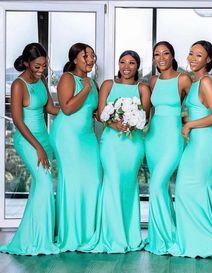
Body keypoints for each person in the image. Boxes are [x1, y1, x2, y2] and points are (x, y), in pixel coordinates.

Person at [169, 40, 212, 258]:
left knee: (190, 189)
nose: (192, 58)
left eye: (199, 55)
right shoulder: (196, 82)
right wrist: (188, 119)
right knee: (191, 190)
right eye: (191, 53)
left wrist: (188, 124)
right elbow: (205, 113)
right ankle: (196, 240)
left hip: (205, 143)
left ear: (208, 60)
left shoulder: (205, 81)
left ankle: (207, 243)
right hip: (198, 141)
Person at [86, 50, 150, 253]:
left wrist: (132, 124)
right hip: (111, 143)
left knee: (128, 186)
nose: (126, 66)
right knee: (112, 182)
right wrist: (114, 124)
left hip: (133, 144)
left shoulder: (143, 88)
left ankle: (129, 236)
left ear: (137, 66)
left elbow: (145, 117)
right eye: (122, 62)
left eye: (131, 62)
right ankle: (111, 237)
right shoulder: (108, 85)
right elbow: (99, 113)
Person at [0, 43, 59, 255]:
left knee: (40, 189)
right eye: (37, 66)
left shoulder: (42, 80)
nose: (41, 69)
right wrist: (38, 149)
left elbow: (51, 108)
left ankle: (33, 236)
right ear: (26, 62)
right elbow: (17, 120)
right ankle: (39, 241)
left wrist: (75, 108)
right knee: (44, 185)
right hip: (27, 140)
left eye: (44, 65)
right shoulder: (18, 85)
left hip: (44, 138)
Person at [49, 43, 102, 252]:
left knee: (93, 180)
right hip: (67, 136)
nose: (90, 60)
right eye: (85, 56)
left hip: (88, 137)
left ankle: (88, 233)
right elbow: (67, 107)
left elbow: (95, 111)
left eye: (92, 56)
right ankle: (71, 235)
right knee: (72, 182)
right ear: (74, 60)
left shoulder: (94, 82)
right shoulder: (68, 78)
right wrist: (86, 88)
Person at [144, 41, 191, 255]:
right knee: (160, 188)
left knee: (156, 184)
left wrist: (191, 128)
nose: (161, 57)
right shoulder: (153, 81)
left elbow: (194, 106)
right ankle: (159, 237)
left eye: (165, 53)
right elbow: (149, 111)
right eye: (156, 54)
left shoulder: (183, 79)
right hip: (153, 138)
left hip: (173, 137)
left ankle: (170, 236)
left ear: (172, 56)